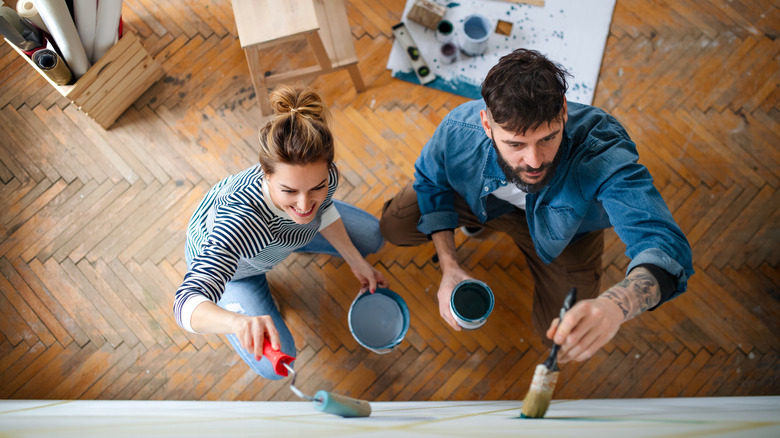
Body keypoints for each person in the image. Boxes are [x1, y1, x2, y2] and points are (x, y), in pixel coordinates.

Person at [379, 49, 693, 363]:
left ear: (564, 112)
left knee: (561, 337)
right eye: (515, 144)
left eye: (548, 138)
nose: (534, 162)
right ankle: (480, 222)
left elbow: (664, 245)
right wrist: (448, 264)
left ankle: (484, 226)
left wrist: (615, 304)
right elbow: (431, 182)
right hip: (486, 203)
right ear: (487, 124)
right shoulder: (459, 130)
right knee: (395, 224)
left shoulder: (601, 148)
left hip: (569, 234)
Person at [174, 85, 387, 379]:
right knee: (278, 365)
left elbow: (321, 210)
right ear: (265, 173)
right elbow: (185, 304)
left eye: (317, 187)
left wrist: (354, 259)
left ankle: (298, 240)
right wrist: (236, 322)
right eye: (289, 190)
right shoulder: (236, 222)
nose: (304, 205)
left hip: (280, 240)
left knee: (373, 236)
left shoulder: (324, 178)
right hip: (240, 269)